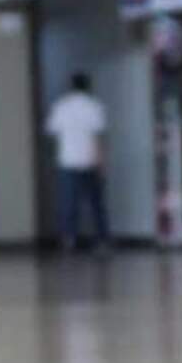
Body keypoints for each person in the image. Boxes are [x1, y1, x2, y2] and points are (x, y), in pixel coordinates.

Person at [46, 72, 109, 253]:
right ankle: (102, 239)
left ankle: (69, 239)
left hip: (67, 160)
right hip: (90, 160)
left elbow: (52, 132)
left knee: (68, 203)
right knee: (96, 203)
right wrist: (102, 163)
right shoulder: (94, 106)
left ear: (71, 87)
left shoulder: (61, 106)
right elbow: (98, 137)